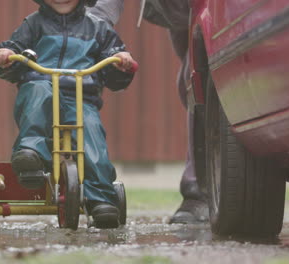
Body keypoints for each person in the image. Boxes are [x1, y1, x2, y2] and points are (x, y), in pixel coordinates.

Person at [0, 0, 137, 228]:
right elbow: (14, 49)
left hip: (81, 98)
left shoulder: (98, 27)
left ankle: (100, 199)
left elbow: (114, 57)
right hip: (42, 88)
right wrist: (5, 55)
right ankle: (31, 154)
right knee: (38, 93)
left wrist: (121, 62)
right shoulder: (33, 23)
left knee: (92, 135)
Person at [88, 0, 209, 224]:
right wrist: (88, 25)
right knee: (191, 77)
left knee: (196, 73)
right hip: (178, 9)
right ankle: (200, 187)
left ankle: (200, 187)